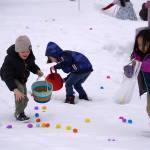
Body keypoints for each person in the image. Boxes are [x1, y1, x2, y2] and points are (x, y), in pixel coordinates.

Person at [0, 35, 43, 121]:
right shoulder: (10, 59)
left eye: (27, 51)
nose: (25, 54)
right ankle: (19, 113)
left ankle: (21, 110)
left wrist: (37, 70)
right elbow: (7, 75)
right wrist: (15, 89)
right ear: (17, 51)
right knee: (20, 92)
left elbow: (31, 65)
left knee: (23, 94)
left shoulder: (29, 55)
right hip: (10, 77)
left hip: (21, 77)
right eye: (22, 52)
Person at [130, 29, 150, 118]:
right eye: (139, 45)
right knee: (149, 109)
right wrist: (131, 66)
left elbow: (147, 66)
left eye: (144, 44)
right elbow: (135, 65)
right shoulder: (139, 54)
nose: (141, 47)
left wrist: (139, 64)